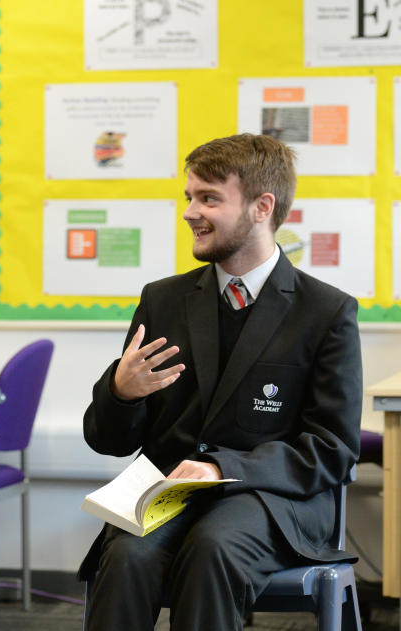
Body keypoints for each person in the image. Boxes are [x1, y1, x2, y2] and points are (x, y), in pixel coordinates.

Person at [78, 133, 361, 631]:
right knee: (125, 558)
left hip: (274, 498)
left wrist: (220, 468)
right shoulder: (163, 300)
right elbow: (107, 440)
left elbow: (332, 448)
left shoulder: (326, 311)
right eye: (190, 196)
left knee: (213, 549)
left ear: (261, 207)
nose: (190, 211)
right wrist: (121, 394)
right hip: (169, 490)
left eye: (209, 198)